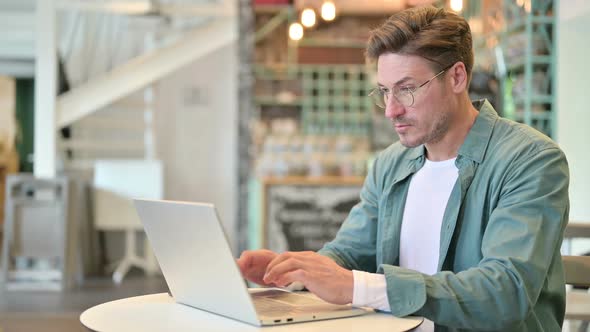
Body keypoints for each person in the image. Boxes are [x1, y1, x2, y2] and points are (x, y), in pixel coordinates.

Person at [238, 6, 569, 331]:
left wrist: (359, 287)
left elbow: (505, 292)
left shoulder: (531, 160)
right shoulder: (391, 163)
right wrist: (297, 274)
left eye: (407, 89)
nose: (391, 111)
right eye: (385, 91)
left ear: (457, 77)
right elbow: (351, 254)